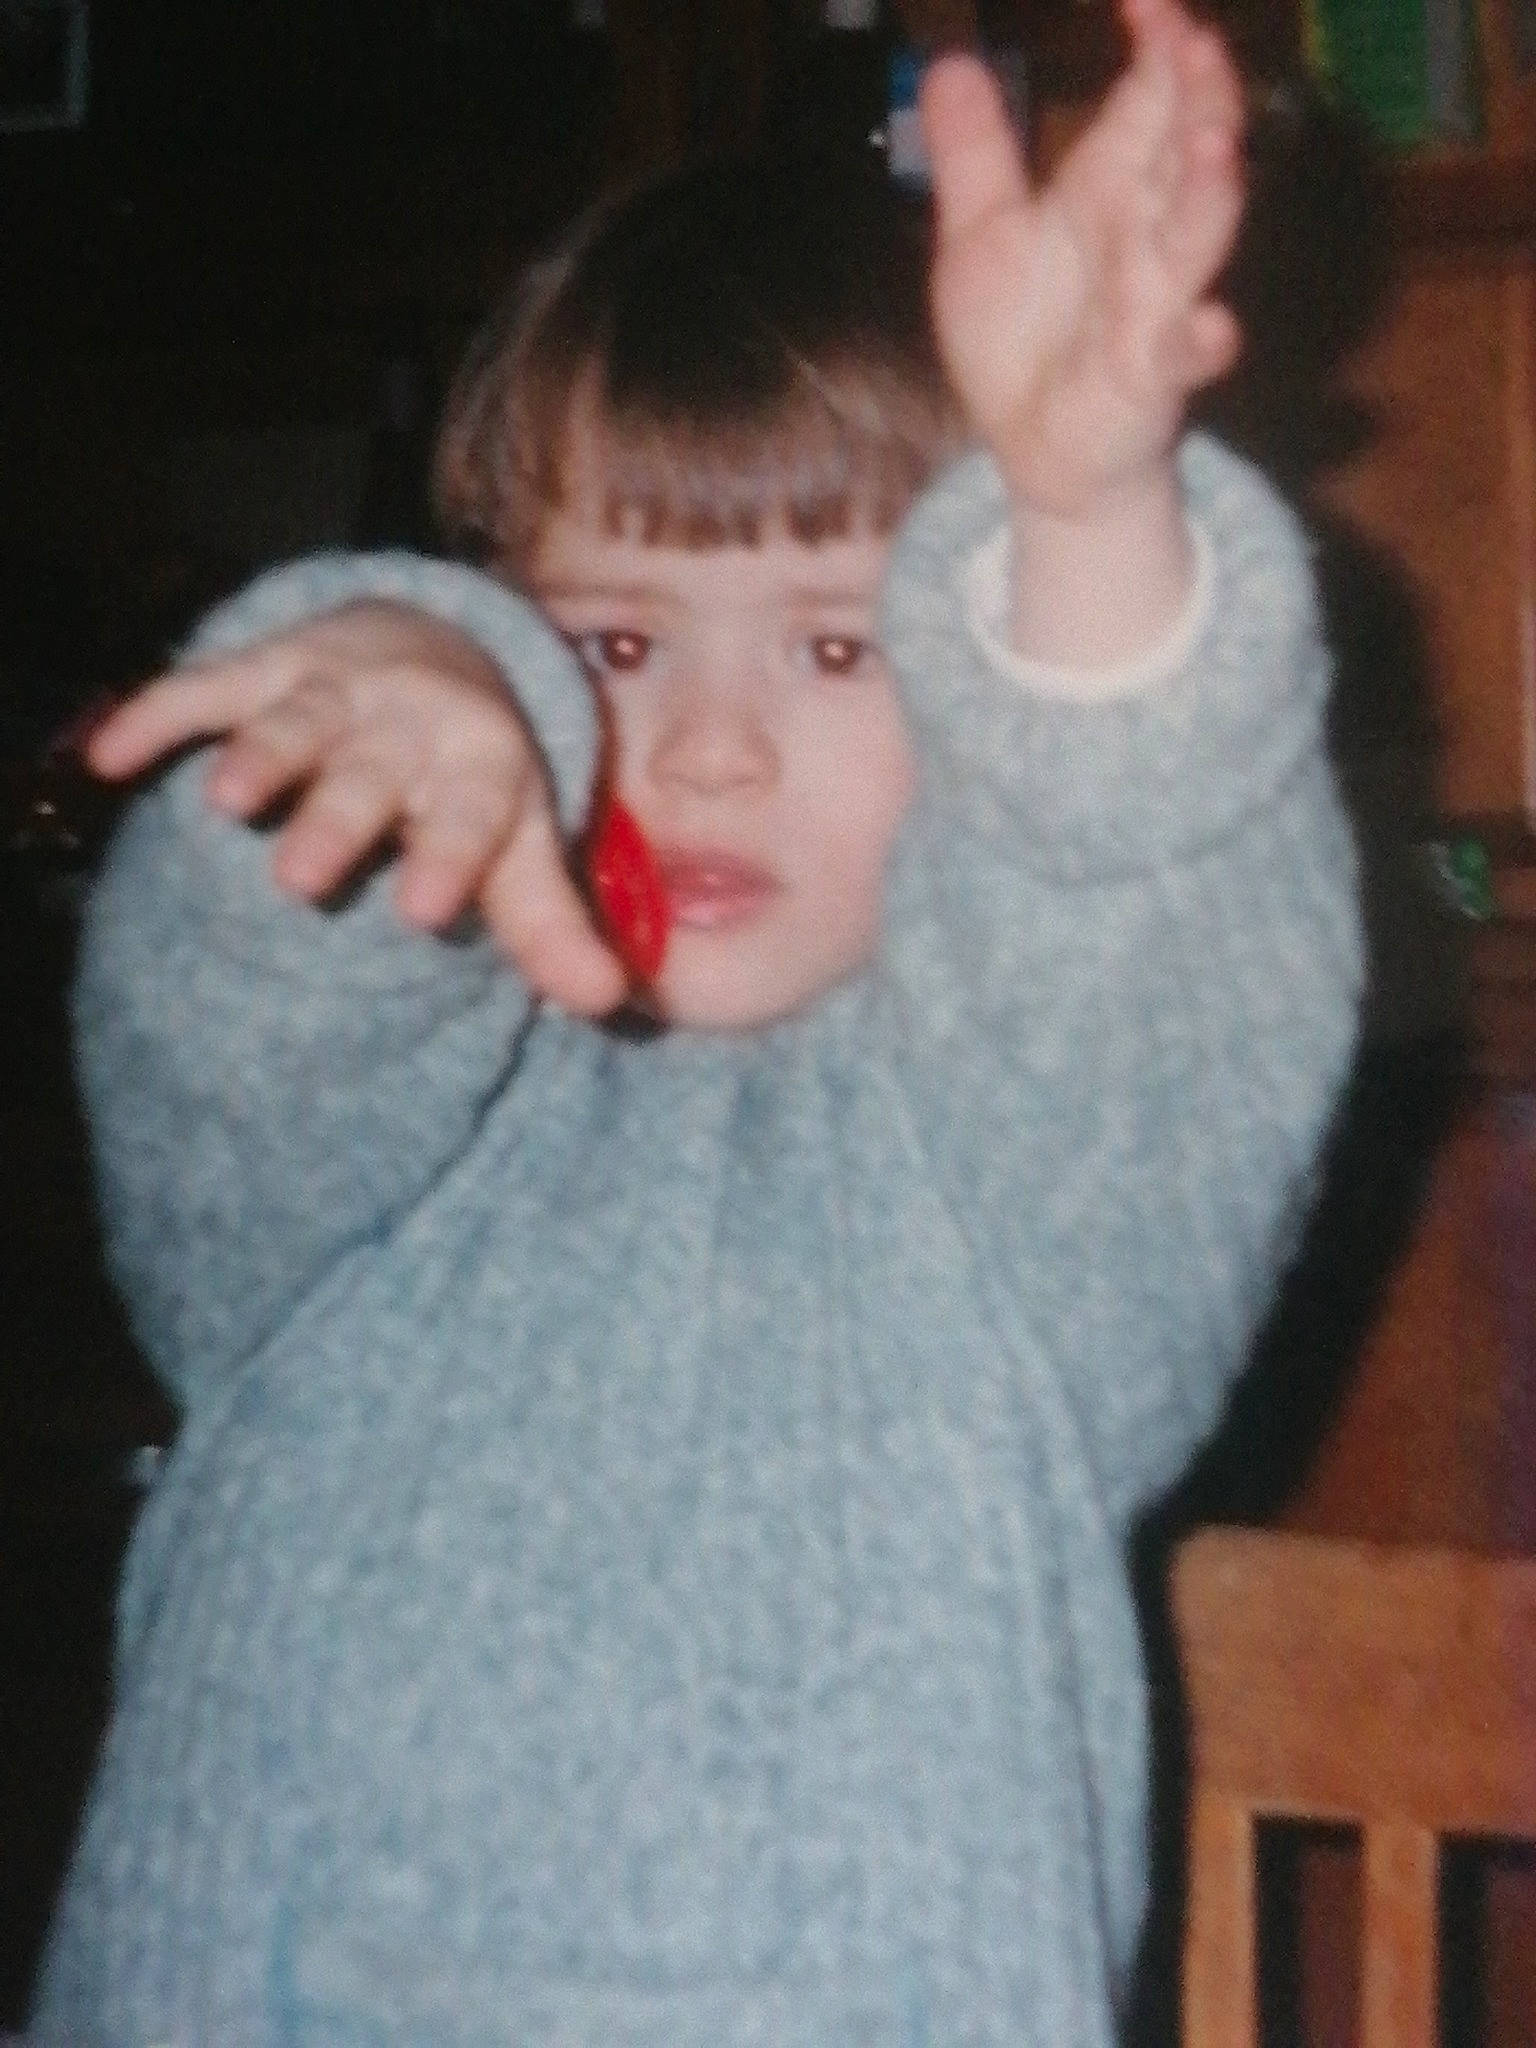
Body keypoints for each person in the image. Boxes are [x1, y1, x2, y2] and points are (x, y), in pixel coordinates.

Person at [33, 1, 1362, 2040]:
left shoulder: (1020, 1204)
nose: (713, 744)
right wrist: (401, 681)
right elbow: (233, 1032)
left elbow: (1141, 949)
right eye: (612, 640)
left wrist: (1087, 532)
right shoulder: (375, 1125)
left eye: (842, 641)